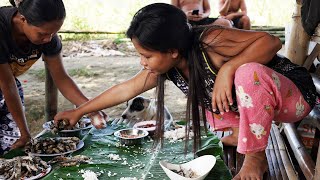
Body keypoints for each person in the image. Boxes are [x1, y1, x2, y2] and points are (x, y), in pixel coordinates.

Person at [54, 3, 318, 180]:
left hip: (292, 98)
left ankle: (255, 156)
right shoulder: (168, 66)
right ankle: (239, 132)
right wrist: (79, 111)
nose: (142, 63)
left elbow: (271, 42)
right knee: (207, 87)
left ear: (172, 51)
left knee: (245, 73)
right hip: (261, 107)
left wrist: (228, 69)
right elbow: (125, 89)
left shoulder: (211, 40)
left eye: (146, 55)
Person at [0, 0, 107, 155]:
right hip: (6, 86)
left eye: (52, 33)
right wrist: (25, 133)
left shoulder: (48, 36)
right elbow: (7, 84)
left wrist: (89, 109)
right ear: (23, 19)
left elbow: (61, 78)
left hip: (8, 88)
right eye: (43, 34)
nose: (48, 39)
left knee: (9, 150)